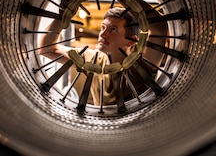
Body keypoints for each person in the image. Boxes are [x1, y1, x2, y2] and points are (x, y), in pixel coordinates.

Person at [38, 6, 167, 106]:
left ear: (131, 41)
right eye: (103, 27)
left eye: (113, 29)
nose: (103, 34)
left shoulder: (140, 65)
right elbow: (46, 49)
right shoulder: (91, 59)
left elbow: (159, 27)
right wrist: (62, 16)